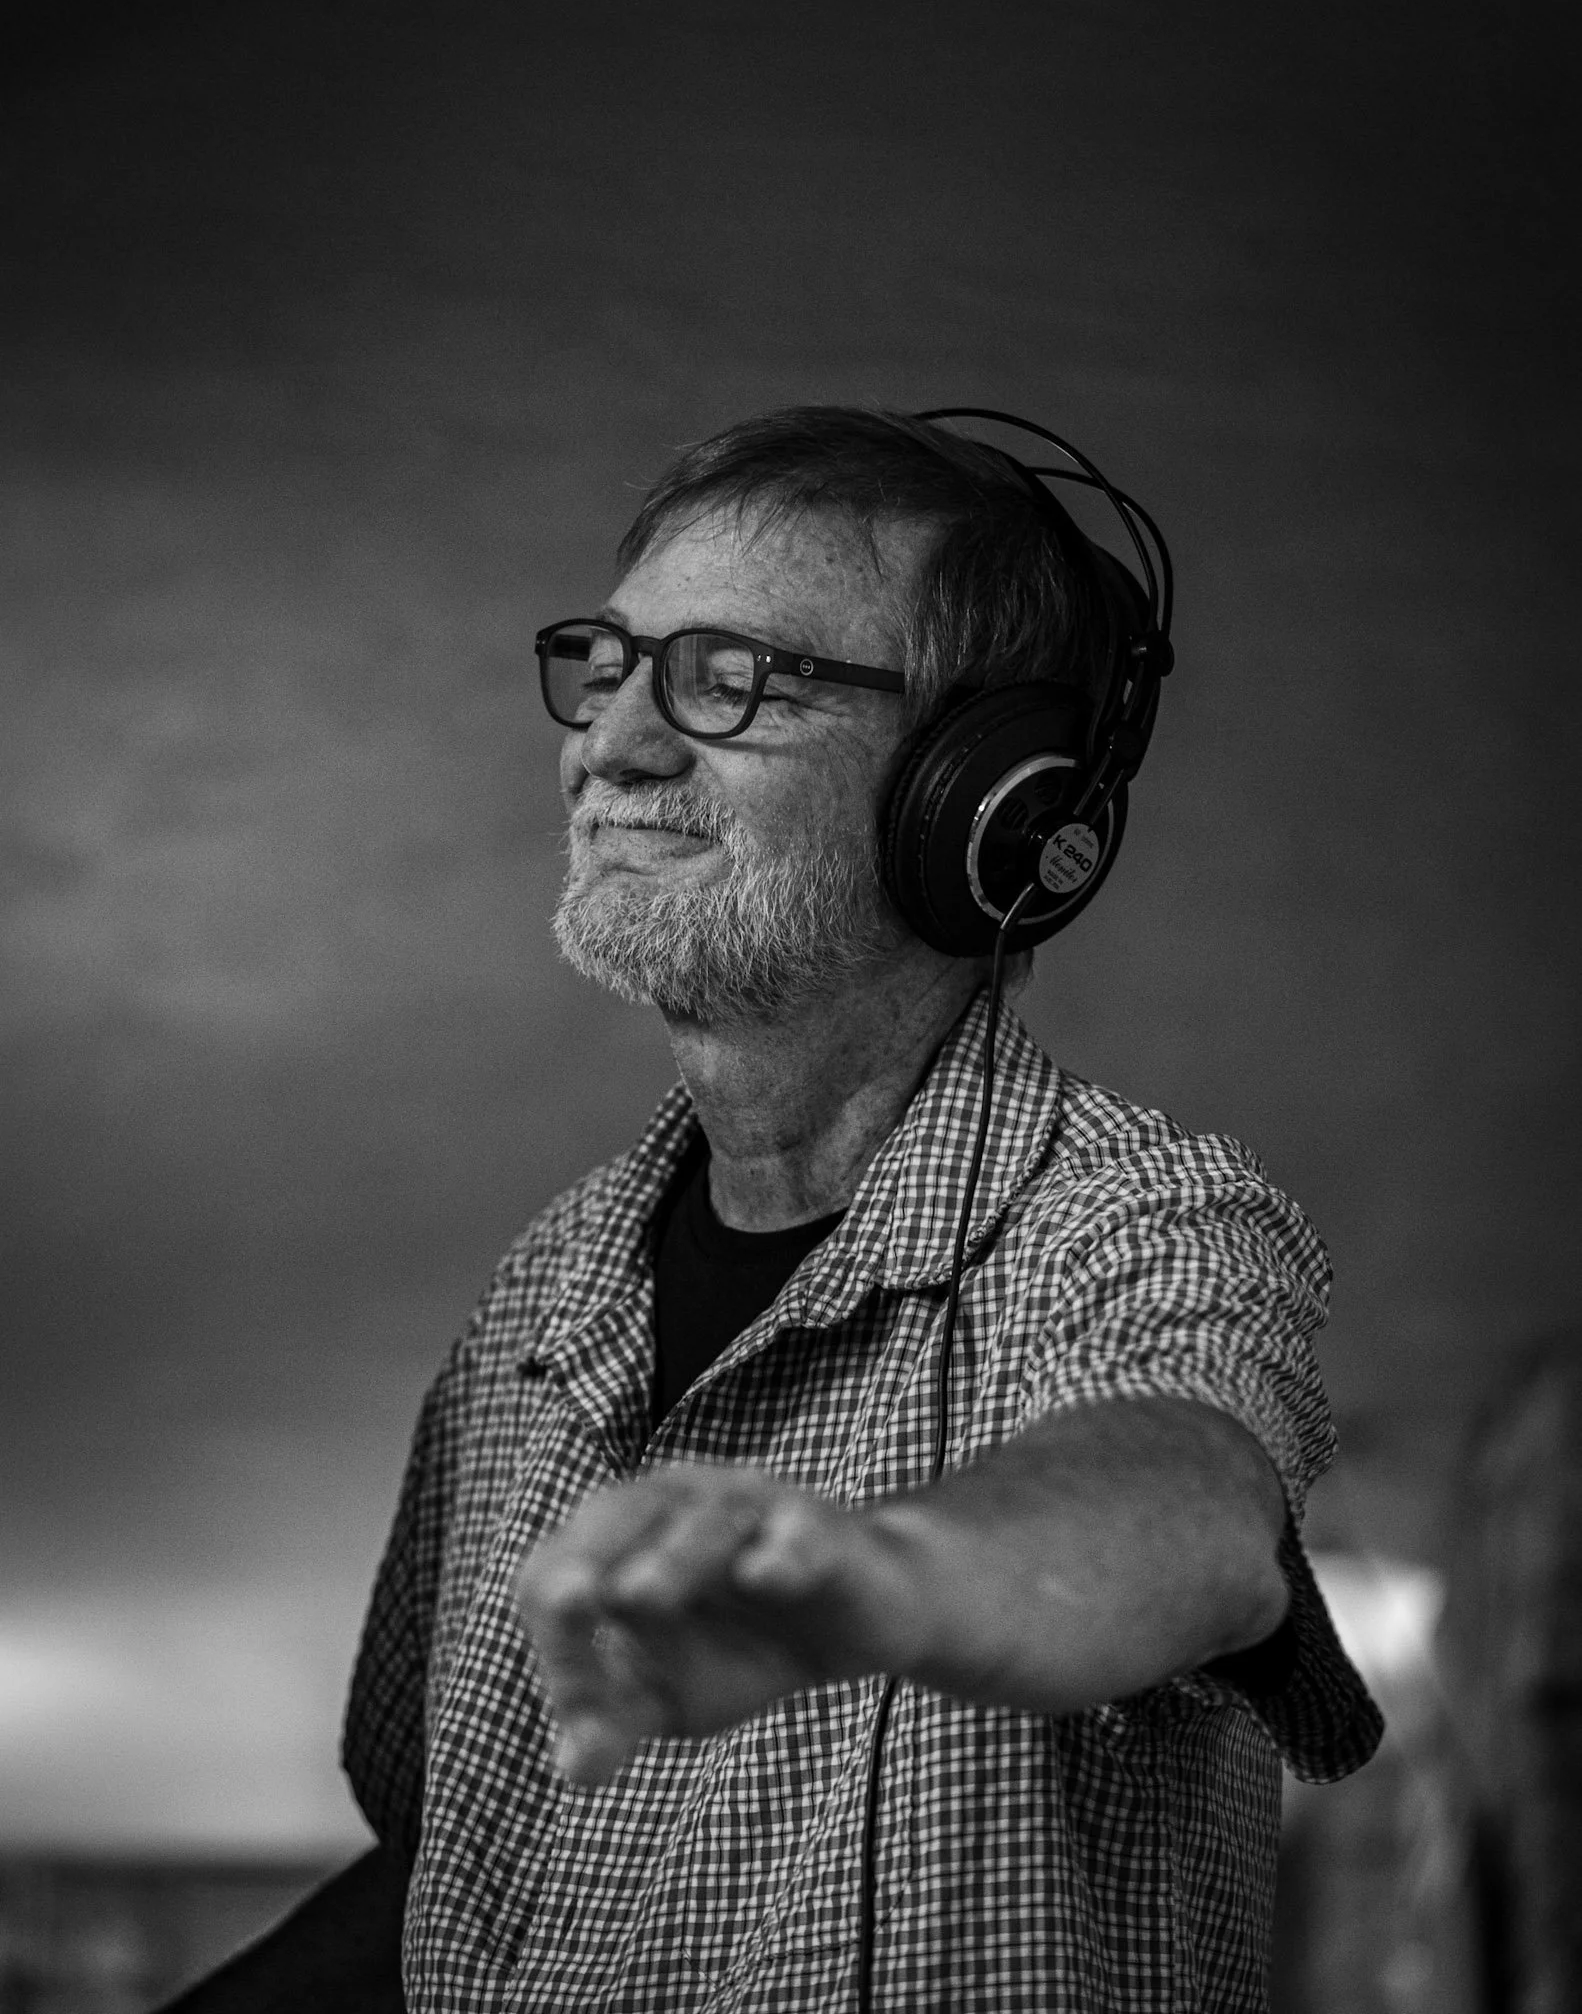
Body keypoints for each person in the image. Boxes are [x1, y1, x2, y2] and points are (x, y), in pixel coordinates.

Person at [165, 407, 1380, 2013]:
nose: (614, 744)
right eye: (608, 663)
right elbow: (459, 1869)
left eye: (732, 679)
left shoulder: (1143, 1216)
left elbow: (1195, 1523)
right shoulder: (538, 1307)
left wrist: (876, 1580)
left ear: (987, 809)